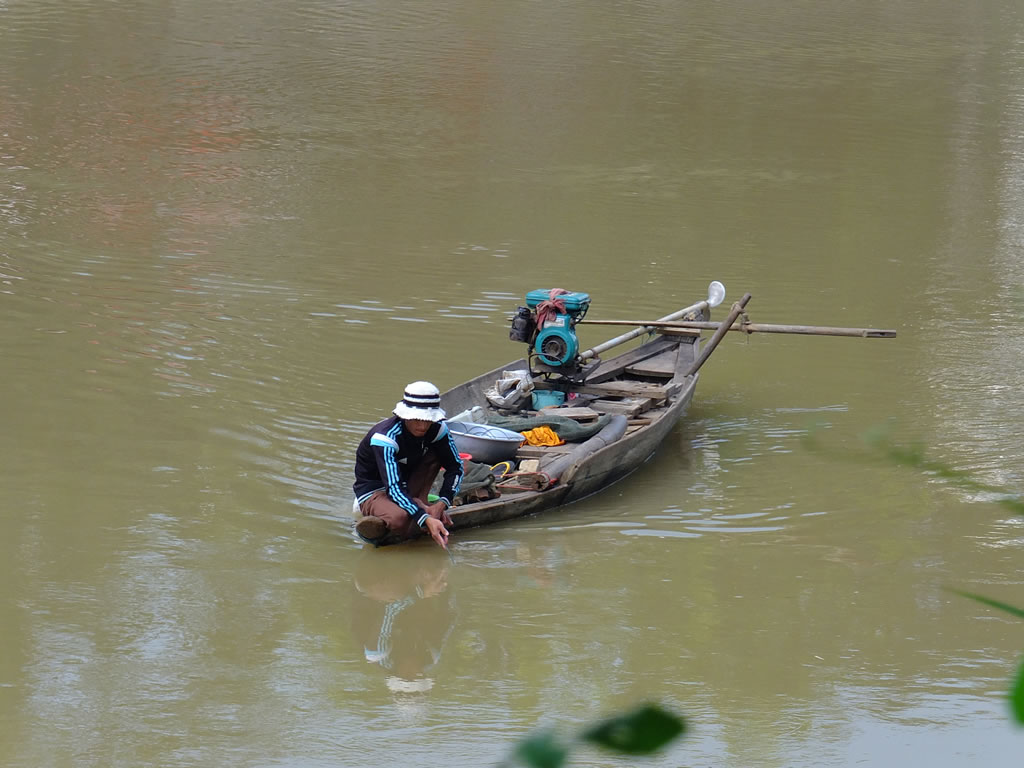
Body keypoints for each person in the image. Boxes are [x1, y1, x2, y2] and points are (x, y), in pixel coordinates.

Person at [353, 381, 464, 548]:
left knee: (439, 452)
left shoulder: (438, 430)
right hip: (376, 489)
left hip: (407, 485)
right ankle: (410, 507)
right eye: (417, 419)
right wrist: (425, 518)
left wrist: (442, 504)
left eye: (428, 420)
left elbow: (456, 467)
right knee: (399, 519)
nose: (423, 426)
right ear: (405, 416)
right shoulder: (385, 438)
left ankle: (420, 502)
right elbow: (393, 488)